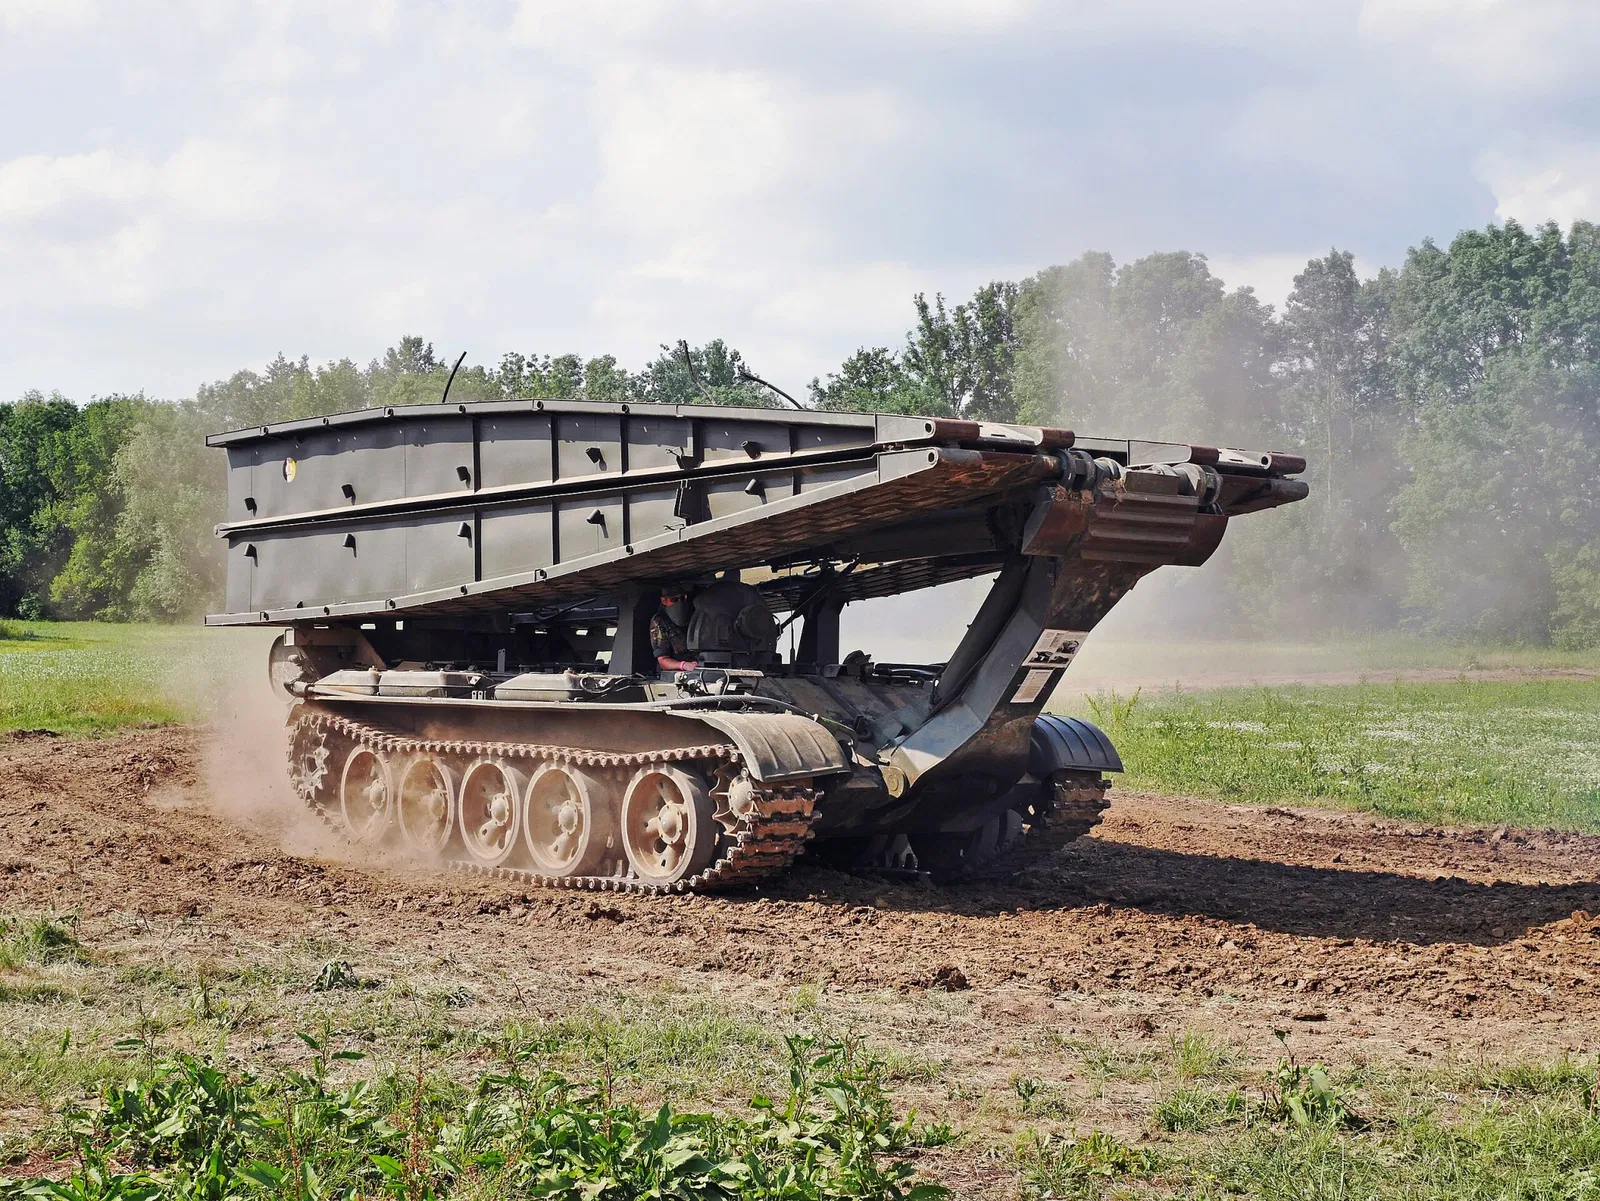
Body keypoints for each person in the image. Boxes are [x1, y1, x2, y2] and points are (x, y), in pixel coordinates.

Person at [650, 583, 697, 672]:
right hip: (676, 672)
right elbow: (663, 661)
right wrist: (684, 665)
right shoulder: (659, 621)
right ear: (664, 601)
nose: (679, 602)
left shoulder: (693, 613)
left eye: (682, 598)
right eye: (674, 599)